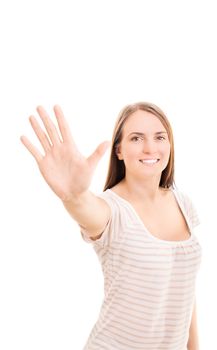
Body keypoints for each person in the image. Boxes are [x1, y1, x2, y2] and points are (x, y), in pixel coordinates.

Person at [20, 102, 202, 350]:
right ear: (119, 150)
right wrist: (74, 196)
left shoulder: (183, 203)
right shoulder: (112, 210)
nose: (150, 147)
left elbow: (185, 287)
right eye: (136, 138)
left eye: (159, 137)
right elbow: (87, 210)